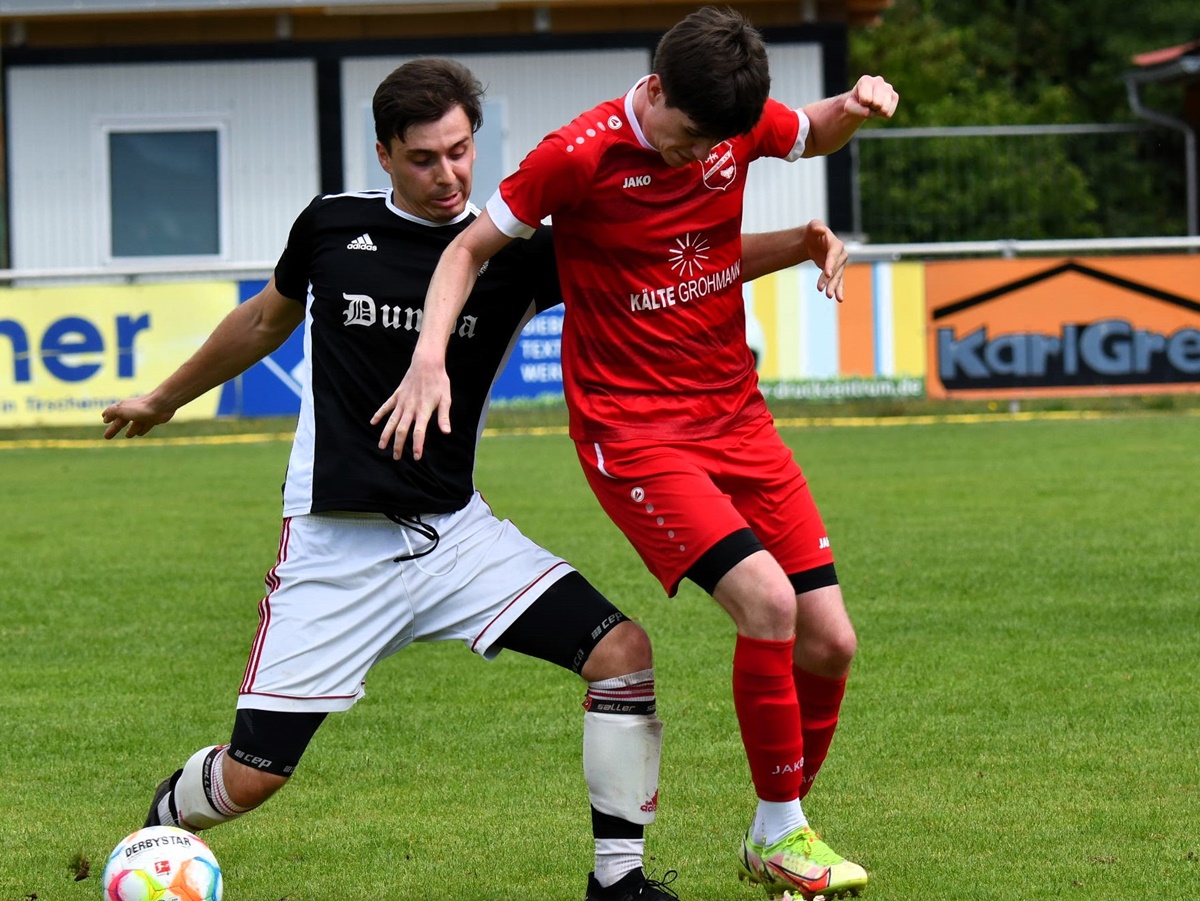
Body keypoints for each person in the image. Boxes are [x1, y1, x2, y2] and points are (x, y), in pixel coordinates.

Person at [101, 55, 822, 901]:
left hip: (457, 536)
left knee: (622, 654)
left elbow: (673, 263)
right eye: (423, 158)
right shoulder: (332, 228)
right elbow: (263, 318)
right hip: (335, 550)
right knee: (254, 777)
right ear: (383, 154)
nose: (447, 174)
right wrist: (164, 397)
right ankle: (164, 826)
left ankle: (617, 883)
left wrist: (801, 245)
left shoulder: (516, 253)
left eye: (459, 151)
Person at [374, 9, 899, 901]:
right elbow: (468, 248)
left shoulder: (729, 125)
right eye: (691, 138)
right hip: (635, 433)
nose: (701, 159)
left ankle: (781, 823)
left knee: (831, 640)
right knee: (767, 602)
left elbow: (810, 133)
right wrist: (431, 362)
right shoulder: (574, 155)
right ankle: (781, 834)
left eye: (718, 145)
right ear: (655, 92)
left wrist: (855, 102)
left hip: (737, 417)